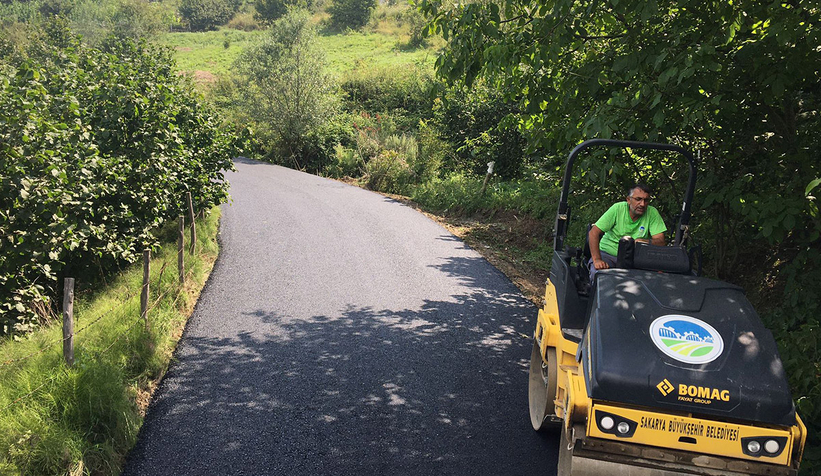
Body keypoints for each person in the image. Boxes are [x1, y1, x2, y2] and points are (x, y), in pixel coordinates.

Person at [588, 183, 667, 282]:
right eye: (638, 199)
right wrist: (597, 260)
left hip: (636, 258)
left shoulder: (652, 213)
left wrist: (644, 242)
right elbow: (593, 233)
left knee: (655, 280)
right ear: (628, 200)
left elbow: (661, 241)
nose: (642, 204)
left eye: (646, 200)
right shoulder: (617, 209)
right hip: (608, 255)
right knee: (600, 276)